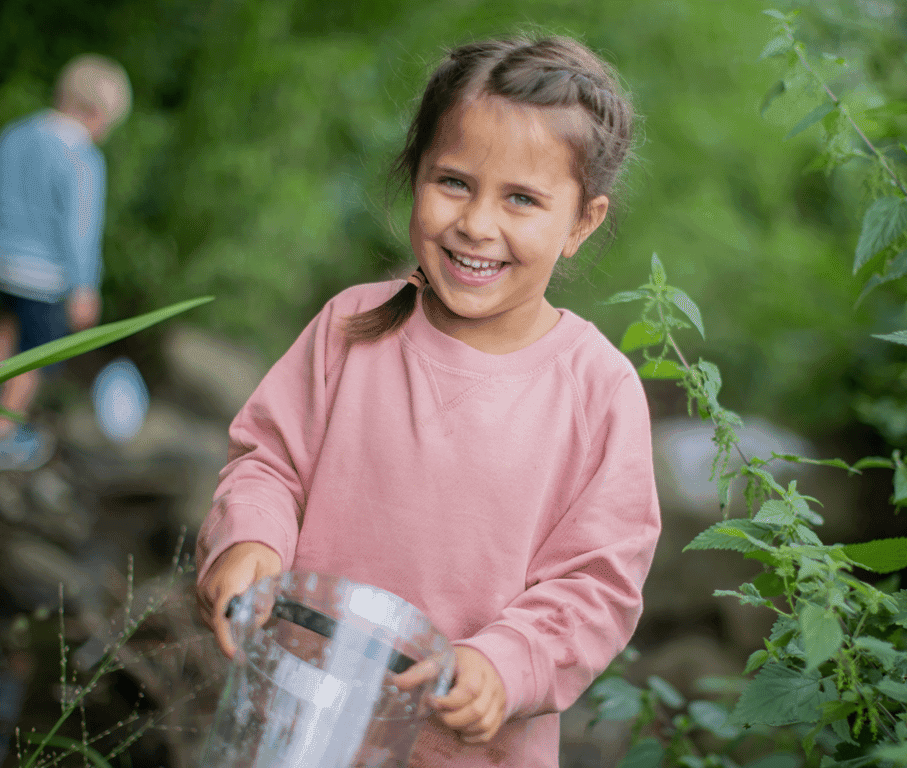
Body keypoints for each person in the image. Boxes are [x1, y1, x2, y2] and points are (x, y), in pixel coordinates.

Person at [196, 35, 661, 767]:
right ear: (415, 174)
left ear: (581, 222)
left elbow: (596, 584)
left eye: (521, 199)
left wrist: (506, 663)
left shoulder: (597, 392)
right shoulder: (350, 328)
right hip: (295, 725)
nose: (477, 223)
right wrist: (249, 540)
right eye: (454, 182)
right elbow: (268, 463)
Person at [0, 53, 131, 471]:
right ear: (95, 114)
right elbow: (80, 231)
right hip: (46, 276)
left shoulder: (17, 133)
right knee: (35, 356)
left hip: (1, 263)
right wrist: (84, 287)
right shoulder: (83, 158)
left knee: (8, 323)